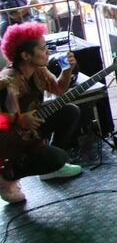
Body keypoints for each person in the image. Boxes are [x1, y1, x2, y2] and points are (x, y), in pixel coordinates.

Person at [0, 23, 82, 203]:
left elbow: (60, 90)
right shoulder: (7, 81)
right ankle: (7, 176)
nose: (47, 51)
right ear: (26, 55)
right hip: (8, 142)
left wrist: (67, 70)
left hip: (29, 130)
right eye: (43, 48)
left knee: (70, 111)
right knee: (57, 157)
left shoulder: (38, 71)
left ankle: (52, 168)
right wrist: (18, 118)